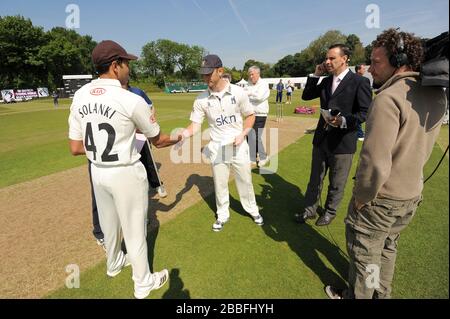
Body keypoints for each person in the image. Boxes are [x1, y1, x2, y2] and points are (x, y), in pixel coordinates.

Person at [325, 29, 447, 299]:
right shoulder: (437, 94)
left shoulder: (388, 99)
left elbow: (375, 162)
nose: (370, 68)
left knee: (365, 255)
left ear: (399, 60)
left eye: (376, 62)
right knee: (388, 248)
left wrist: (362, 197)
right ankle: (382, 293)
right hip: (411, 194)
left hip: (381, 199)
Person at [68, 40, 181, 299]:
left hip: (97, 170)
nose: (129, 68)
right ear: (115, 66)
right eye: (126, 63)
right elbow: (158, 140)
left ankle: (114, 264)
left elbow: (75, 147)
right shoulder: (130, 99)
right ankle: (143, 283)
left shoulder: (80, 95)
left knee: (109, 225)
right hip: (125, 172)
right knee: (134, 229)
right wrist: (179, 137)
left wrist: (101, 150)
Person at [178, 54, 263, 232]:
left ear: (220, 71)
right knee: (220, 183)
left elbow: (250, 116)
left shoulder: (238, 92)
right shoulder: (201, 99)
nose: (205, 78)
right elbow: (195, 125)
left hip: (239, 145)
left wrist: (243, 134)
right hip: (217, 147)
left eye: (208, 73)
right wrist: (183, 134)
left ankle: (252, 209)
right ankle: (223, 214)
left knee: (245, 180)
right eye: (203, 74)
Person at [296, 44, 372, 226]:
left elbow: (365, 112)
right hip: (321, 139)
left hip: (343, 142)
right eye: (326, 58)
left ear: (344, 59)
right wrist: (316, 75)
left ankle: (330, 211)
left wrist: (344, 121)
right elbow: (306, 96)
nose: (327, 61)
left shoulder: (359, 82)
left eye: (332, 58)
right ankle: (310, 209)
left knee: (337, 182)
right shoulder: (325, 81)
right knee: (315, 179)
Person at [89, 82, 168, 250]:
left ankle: (137, 219)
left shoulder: (136, 92)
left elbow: (150, 108)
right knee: (102, 195)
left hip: (133, 141)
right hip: (108, 149)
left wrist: (148, 119)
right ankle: (101, 233)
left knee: (136, 180)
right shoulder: (99, 94)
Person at [245, 66, 270, 167]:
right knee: (248, 135)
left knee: (255, 136)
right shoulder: (248, 84)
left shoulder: (263, 84)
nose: (251, 77)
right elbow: (244, 96)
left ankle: (264, 156)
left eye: (252, 74)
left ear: (258, 74)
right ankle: (252, 157)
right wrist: (251, 94)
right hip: (249, 114)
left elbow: (259, 97)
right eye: (249, 74)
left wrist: (249, 93)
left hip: (260, 114)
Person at [355, 64, 366, 141]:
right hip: (356, 103)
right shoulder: (355, 79)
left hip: (360, 102)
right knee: (357, 117)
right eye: (363, 69)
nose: (364, 70)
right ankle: (359, 135)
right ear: (358, 70)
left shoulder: (361, 79)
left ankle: (360, 133)